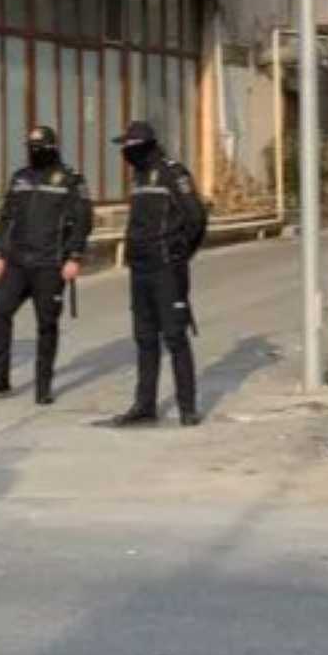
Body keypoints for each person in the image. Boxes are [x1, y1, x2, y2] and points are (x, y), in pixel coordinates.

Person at [0, 125, 94, 405]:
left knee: (46, 324)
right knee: (0, 312)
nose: (34, 152)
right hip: (17, 262)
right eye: (30, 147)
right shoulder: (20, 178)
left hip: (50, 264)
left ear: (52, 148)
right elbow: (7, 218)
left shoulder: (70, 179)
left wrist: (74, 256)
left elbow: (83, 220)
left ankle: (44, 385)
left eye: (39, 147)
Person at [110, 121, 208, 427]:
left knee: (175, 336)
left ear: (144, 145)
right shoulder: (139, 176)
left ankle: (187, 407)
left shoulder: (173, 173)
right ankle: (145, 404)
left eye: (128, 146)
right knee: (144, 338)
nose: (125, 152)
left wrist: (179, 254)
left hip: (167, 269)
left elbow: (197, 219)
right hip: (140, 268)